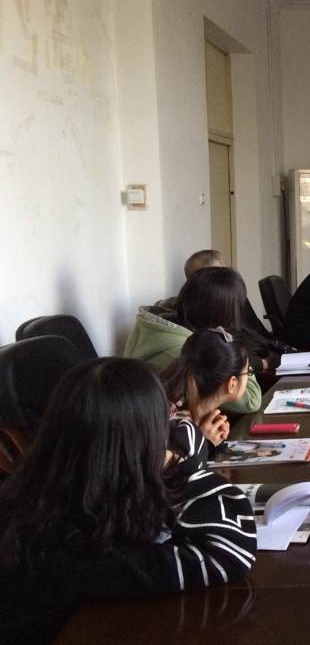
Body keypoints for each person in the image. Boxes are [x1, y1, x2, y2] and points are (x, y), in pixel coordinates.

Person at [0, 358, 256, 642]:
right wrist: (173, 463)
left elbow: (181, 439)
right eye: (165, 416)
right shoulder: (82, 546)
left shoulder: (45, 487)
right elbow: (231, 546)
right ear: (137, 448)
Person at [123, 267, 262, 414]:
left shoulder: (156, 327)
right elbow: (251, 400)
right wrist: (240, 354)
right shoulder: (190, 352)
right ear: (224, 315)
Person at [156, 249, 277, 341]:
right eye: (216, 274)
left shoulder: (234, 297)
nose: (226, 278)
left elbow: (257, 333)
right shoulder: (184, 312)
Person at [161, 328, 252, 449]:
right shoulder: (179, 427)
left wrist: (213, 442)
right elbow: (182, 461)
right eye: (248, 371)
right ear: (232, 384)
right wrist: (205, 444)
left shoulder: (179, 405)